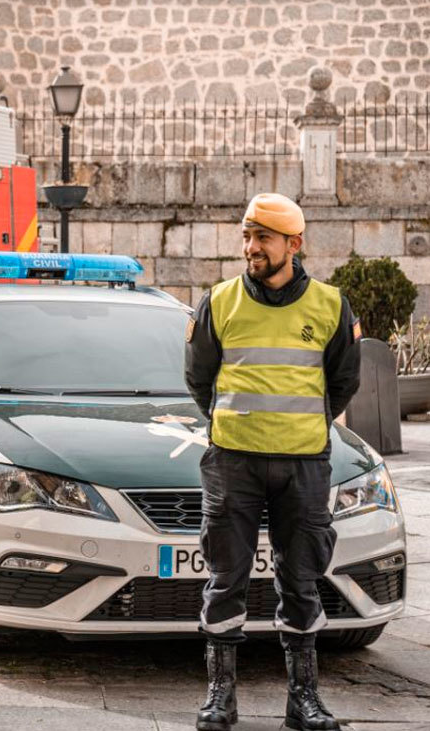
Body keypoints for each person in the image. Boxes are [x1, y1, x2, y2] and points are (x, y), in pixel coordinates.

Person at [185, 193, 361, 731]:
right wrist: (238, 426)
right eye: (246, 236)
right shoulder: (219, 301)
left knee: (303, 579)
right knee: (225, 578)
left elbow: (344, 382)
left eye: (263, 237)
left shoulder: (332, 306)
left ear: (294, 244)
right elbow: (199, 380)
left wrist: (300, 426)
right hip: (233, 461)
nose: (251, 248)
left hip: (304, 464)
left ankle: (303, 701)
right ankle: (221, 698)